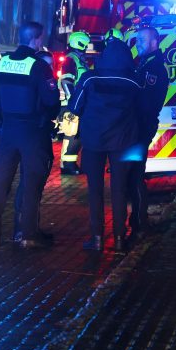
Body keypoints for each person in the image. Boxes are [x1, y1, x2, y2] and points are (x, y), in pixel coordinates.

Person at [0, 21, 59, 249]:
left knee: (1, 184)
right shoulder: (38, 66)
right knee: (31, 184)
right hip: (32, 133)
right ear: (36, 39)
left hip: (7, 132)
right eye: (41, 39)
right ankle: (27, 235)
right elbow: (51, 101)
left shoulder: (3, 63)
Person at [70, 37, 140, 252]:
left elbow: (75, 106)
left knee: (95, 190)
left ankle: (97, 238)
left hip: (93, 142)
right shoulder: (133, 81)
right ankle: (120, 238)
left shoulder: (90, 79)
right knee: (119, 190)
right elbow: (142, 111)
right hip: (123, 142)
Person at [130, 25, 166, 239]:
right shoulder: (144, 64)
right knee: (133, 174)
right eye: (136, 40)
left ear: (154, 42)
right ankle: (137, 220)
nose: (138, 44)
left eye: (141, 40)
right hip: (137, 128)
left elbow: (146, 102)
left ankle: (140, 223)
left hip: (141, 128)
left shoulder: (154, 69)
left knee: (135, 176)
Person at [57, 30, 90, 175]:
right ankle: (67, 165)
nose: (88, 46)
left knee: (77, 134)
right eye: (86, 43)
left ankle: (70, 163)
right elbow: (66, 81)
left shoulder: (78, 59)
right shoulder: (71, 60)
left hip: (77, 103)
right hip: (71, 104)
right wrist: (73, 102)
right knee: (72, 134)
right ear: (80, 43)